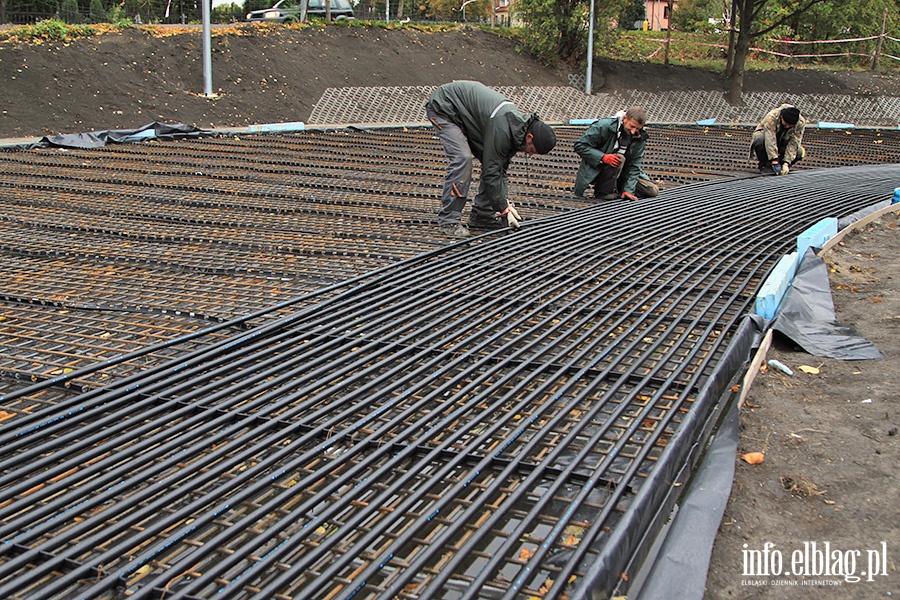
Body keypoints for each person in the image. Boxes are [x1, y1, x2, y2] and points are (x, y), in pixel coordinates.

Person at [425, 81, 557, 238]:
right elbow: (491, 173)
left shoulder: (516, 132)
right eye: (532, 149)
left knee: (495, 166)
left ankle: (482, 214)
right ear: (530, 137)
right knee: (463, 158)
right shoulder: (503, 129)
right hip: (445, 108)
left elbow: (500, 171)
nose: (529, 154)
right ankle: (448, 220)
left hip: (467, 116)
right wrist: (502, 208)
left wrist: (504, 204)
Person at [573, 106, 654, 201]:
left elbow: (635, 165)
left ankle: (620, 189)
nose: (633, 131)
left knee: (651, 191)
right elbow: (580, 145)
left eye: (637, 128)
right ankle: (603, 192)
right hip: (600, 168)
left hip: (622, 172)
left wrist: (629, 190)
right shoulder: (603, 126)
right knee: (619, 159)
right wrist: (602, 157)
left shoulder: (639, 136)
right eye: (632, 126)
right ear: (624, 119)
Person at [751, 104, 806, 175]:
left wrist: (786, 163)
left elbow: (794, 143)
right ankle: (766, 165)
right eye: (786, 124)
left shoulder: (800, 123)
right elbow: (770, 139)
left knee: (799, 152)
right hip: (767, 143)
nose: (787, 127)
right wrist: (774, 160)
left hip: (782, 143)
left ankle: (781, 166)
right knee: (760, 139)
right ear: (782, 117)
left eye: (790, 126)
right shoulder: (772, 117)